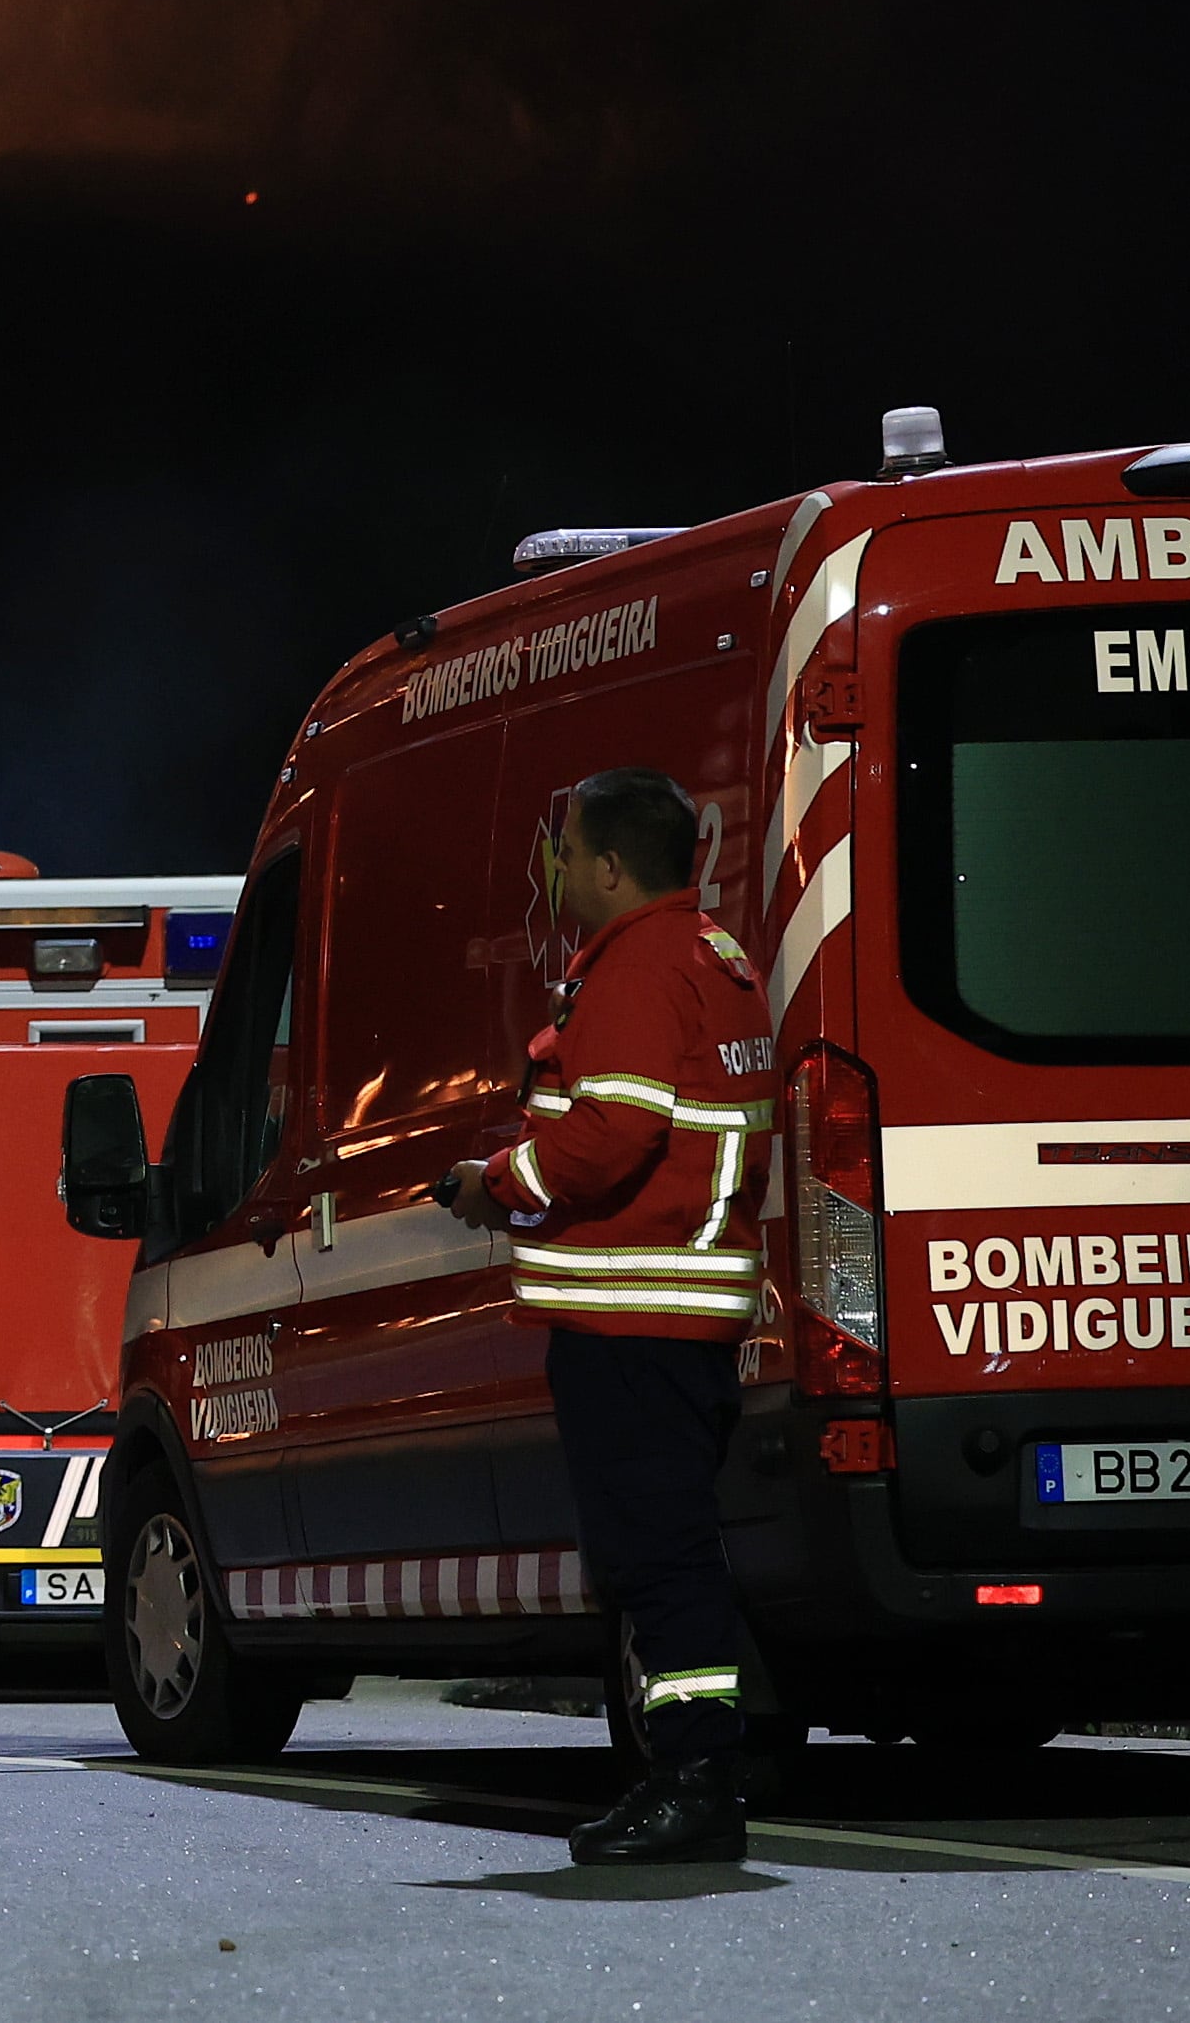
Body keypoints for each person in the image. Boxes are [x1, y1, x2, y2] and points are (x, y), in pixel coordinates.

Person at [433, 765, 777, 1866]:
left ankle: (693, 1782)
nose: (558, 868)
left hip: (634, 1318)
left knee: (655, 1559)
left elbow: (607, 1140)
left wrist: (498, 1182)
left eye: (568, 851)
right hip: (681, 1312)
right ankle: (684, 1772)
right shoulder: (711, 958)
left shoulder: (634, 969)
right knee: (668, 1554)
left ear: (612, 867)